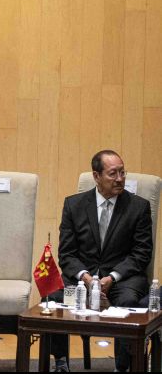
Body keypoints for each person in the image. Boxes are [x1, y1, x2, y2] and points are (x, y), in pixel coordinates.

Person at [50, 150, 152, 372]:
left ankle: (122, 367)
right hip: (82, 281)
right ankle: (60, 362)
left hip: (122, 280)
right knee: (53, 301)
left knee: (127, 301)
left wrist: (112, 278)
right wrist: (86, 278)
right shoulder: (73, 205)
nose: (120, 179)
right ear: (96, 176)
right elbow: (66, 254)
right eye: (113, 173)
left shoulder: (138, 207)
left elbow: (142, 253)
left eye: (123, 172)